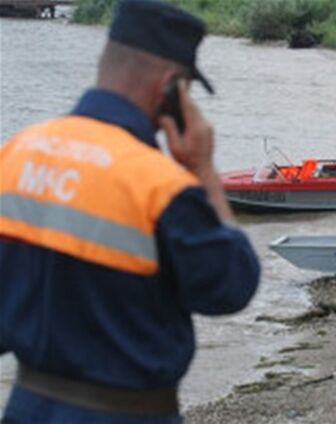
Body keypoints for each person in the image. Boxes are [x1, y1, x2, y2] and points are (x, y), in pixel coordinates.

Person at [0, 1, 260, 422]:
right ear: (172, 88)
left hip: (27, 408)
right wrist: (204, 170)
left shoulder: (14, 155)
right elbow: (231, 285)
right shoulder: (161, 185)